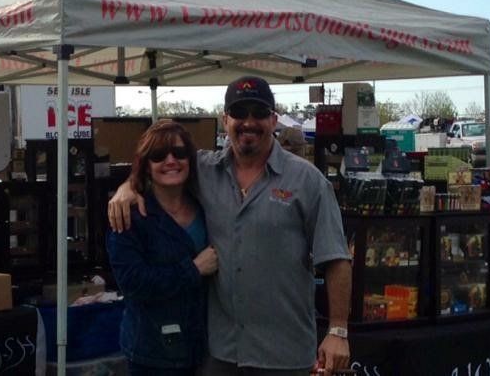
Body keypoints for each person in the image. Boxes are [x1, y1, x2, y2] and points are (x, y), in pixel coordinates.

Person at [109, 76, 352, 374]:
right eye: (239, 112)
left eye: (259, 113)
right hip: (221, 354)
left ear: (274, 120)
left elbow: (336, 258)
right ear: (225, 120)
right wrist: (128, 188)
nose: (248, 122)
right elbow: (161, 166)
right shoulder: (204, 170)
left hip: (284, 354)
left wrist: (338, 330)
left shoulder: (308, 181)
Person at [107, 121, 218, 376]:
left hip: (204, 348)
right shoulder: (129, 217)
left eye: (179, 153)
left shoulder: (206, 205)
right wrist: (193, 269)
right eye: (158, 155)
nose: (170, 161)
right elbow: (133, 283)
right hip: (153, 354)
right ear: (146, 165)